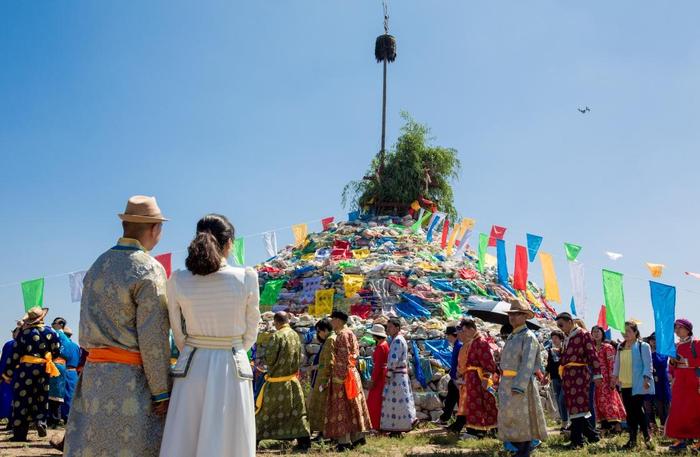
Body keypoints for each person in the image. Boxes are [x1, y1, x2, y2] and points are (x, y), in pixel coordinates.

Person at [64, 195, 172, 457]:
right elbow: (153, 337)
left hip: (94, 378)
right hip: (131, 382)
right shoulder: (148, 268)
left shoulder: (98, 265)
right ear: (154, 228)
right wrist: (161, 392)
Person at [159, 214, 261, 457]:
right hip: (232, 362)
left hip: (193, 363)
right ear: (229, 243)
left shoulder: (179, 278)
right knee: (229, 436)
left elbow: (177, 330)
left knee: (186, 435)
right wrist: (235, 346)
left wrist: (195, 346)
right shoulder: (246, 276)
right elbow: (251, 329)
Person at [497, 297, 547, 457]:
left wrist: (519, 385)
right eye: (511, 314)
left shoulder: (528, 337)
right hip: (506, 383)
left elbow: (527, 364)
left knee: (522, 419)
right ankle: (520, 449)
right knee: (510, 417)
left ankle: (524, 450)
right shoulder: (512, 337)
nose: (512, 317)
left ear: (525, 316)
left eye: (517, 314)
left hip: (520, 385)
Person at [1, 307, 60, 441]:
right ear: (42, 318)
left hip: (25, 371)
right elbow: (56, 352)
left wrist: (7, 374)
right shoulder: (51, 332)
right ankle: (41, 422)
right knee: (41, 397)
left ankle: (20, 435)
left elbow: (15, 354)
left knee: (22, 400)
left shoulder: (24, 333)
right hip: (43, 369)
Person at [255, 311, 310, 450]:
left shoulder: (277, 336)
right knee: (297, 413)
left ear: (276, 322)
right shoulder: (295, 335)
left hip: (276, 384)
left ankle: (255, 439)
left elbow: (270, 359)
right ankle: (304, 441)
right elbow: (300, 357)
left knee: (265, 413)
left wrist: (263, 363)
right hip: (292, 381)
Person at [324, 310, 371, 451]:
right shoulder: (350, 333)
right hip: (352, 374)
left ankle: (344, 442)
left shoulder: (342, 335)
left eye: (333, 319)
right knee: (353, 406)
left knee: (342, 408)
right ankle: (358, 438)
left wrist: (338, 378)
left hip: (344, 377)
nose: (331, 322)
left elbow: (343, 358)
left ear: (338, 320)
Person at [556, 312, 601, 449]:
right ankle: (591, 436)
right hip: (569, 376)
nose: (560, 328)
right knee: (573, 408)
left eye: (561, 325)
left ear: (570, 321)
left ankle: (578, 441)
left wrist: (597, 374)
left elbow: (592, 354)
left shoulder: (583, 334)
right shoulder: (567, 337)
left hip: (580, 375)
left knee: (579, 407)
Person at [612, 321, 654, 449]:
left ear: (635, 332)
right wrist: (615, 377)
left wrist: (647, 379)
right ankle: (635, 439)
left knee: (636, 410)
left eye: (629, 331)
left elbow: (648, 364)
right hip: (624, 383)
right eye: (623, 331)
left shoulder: (643, 346)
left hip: (638, 383)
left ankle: (644, 436)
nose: (626, 334)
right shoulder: (621, 346)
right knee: (630, 412)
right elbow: (617, 364)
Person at [455, 318, 497, 437]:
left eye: (465, 330)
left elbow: (488, 362)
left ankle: (478, 431)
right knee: (473, 404)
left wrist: (485, 378)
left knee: (479, 404)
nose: (464, 333)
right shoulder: (474, 342)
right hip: (471, 377)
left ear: (472, 329)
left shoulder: (482, 342)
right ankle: (475, 429)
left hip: (478, 377)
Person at [665, 318, 700, 452]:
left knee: (695, 410)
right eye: (676, 328)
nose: (677, 330)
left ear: (688, 329)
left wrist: (684, 361)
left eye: (680, 327)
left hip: (694, 380)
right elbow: (672, 367)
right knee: (679, 410)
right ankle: (681, 441)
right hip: (679, 381)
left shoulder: (696, 343)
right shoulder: (675, 346)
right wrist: (673, 362)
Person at [380, 318, 416, 435]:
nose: (388, 329)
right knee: (401, 403)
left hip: (396, 377)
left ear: (397, 327)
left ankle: (397, 430)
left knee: (396, 403)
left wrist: (388, 374)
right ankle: (401, 427)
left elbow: (393, 360)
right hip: (400, 375)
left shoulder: (397, 341)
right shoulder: (400, 339)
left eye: (390, 327)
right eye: (387, 327)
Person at [590, 325, 625, 433]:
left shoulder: (607, 347)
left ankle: (617, 426)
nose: (596, 334)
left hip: (606, 379)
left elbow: (612, 364)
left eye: (598, 331)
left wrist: (612, 379)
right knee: (598, 402)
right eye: (594, 332)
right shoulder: (590, 348)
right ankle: (605, 427)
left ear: (602, 333)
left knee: (610, 401)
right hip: (595, 380)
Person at [308, 318, 336, 437]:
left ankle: (323, 432)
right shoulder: (329, 339)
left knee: (322, 407)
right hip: (321, 377)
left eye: (319, 331)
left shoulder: (330, 340)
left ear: (324, 330)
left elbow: (329, 362)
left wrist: (316, 368)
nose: (318, 334)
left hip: (324, 378)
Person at [643, 333, 670, 434]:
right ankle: (652, 427)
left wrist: (653, 353)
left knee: (661, 406)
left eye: (656, 340)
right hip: (649, 381)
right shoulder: (645, 351)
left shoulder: (663, 352)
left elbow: (662, 363)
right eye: (652, 340)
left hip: (661, 382)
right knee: (647, 405)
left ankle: (665, 428)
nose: (654, 341)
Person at [366, 323, 389, 430]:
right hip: (383, 374)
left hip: (379, 377)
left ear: (375, 336)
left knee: (374, 402)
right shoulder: (385, 344)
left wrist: (372, 380)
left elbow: (378, 366)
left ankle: (376, 425)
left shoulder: (380, 347)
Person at [545, 330, 569, 431]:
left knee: (562, 399)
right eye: (553, 338)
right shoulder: (550, 350)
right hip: (555, 378)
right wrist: (544, 376)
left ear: (561, 339)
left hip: (565, 378)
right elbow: (549, 365)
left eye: (556, 338)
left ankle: (568, 421)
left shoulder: (565, 349)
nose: (554, 340)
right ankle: (564, 423)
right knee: (559, 402)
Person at [438, 325, 462, 425]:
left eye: (448, 335)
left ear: (453, 335)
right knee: (451, 399)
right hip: (454, 377)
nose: (447, 338)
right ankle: (445, 419)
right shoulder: (456, 345)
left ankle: (460, 420)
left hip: (457, 377)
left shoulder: (459, 346)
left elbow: (460, 362)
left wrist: (457, 376)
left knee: (457, 400)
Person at [58, 326, 80, 420]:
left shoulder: (63, 346)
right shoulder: (76, 346)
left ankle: (63, 416)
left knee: (63, 395)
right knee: (71, 395)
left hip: (64, 371)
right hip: (74, 372)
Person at [0, 328, 19, 423]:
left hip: (8, 375)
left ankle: (8, 418)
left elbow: (4, 361)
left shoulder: (9, 344)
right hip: (23, 374)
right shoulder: (26, 344)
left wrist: (2, 375)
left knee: (7, 396)